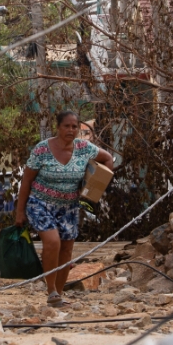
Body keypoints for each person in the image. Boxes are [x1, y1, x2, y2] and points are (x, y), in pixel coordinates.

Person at [15, 111, 115, 308]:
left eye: (74, 126)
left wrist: (96, 184)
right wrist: (20, 212)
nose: (71, 130)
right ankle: (51, 288)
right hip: (40, 203)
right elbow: (26, 181)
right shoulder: (42, 149)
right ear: (58, 127)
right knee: (53, 242)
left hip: (69, 206)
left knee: (67, 248)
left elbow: (108, 159)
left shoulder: (84, 148)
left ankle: (58, 296)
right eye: (66, 126)